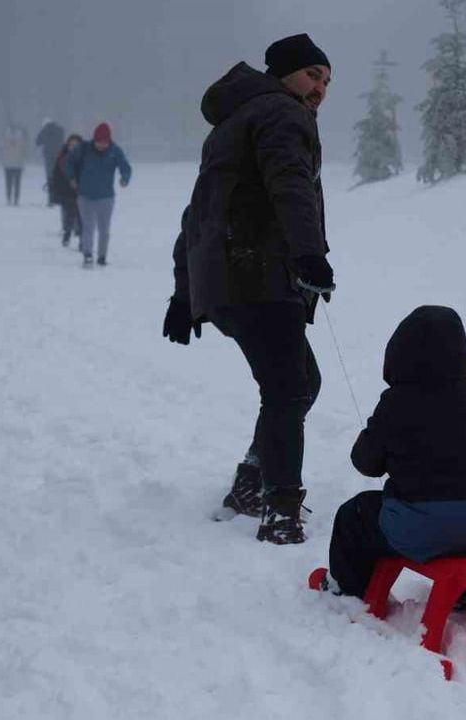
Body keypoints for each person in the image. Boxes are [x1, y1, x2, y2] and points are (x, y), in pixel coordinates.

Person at [163, 33, 334, 545]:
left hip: (230, 282)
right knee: (287, 390)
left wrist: (184, 291)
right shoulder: (283, 115)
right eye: (312, 75)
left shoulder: (232, 124)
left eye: (327, 81)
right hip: (262, 275)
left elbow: (199, 214)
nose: (321, 88)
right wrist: (309, 252)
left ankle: (250, 483)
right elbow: (290, 183)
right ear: (283, 74)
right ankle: (280, 512)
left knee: (302, 379)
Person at [322, 306, 466, 597]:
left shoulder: (396, 401)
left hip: (419, 530)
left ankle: (349, 587)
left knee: (354, 515)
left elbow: (367, 463)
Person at [64, 122, 131, 267]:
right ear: (94, 140)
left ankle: (102, 256)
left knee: (104, 229)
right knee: (88, 227)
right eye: (99, 142)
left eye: (105, 142)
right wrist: (71, 178)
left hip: (106, 198)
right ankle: (87, 254)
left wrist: (125, 178)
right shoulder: (83, 149)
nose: (102, 145)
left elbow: (125, 167)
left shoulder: (115, 151)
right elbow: (68, 162)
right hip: (85, 196)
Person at [52, 133, 84, 247]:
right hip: (67, 192)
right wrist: (56, 190)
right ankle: (67, 234)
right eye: (71, 145)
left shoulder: (85, 159)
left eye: (76, 145)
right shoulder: (62, 158)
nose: (73, 147)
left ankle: (82, 239)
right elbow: (56, 175)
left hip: (81, 192)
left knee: (81, 216)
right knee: (69, 215)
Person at [35, 118, 65, 206]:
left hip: (48, 157)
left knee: (50, 178)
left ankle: (51, 200)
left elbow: (37, 142)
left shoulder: (45, 130)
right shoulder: (60, 129)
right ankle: (59, 199)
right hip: (59, 156)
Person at [2, 123, 29, 206]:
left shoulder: (5, 137)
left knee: (8, 183)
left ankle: (8, 198)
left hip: (8, 164)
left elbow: (3, 150)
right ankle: (16, 200)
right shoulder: (21, 138)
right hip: (18, 164)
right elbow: (24, 151)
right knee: (17, 183)